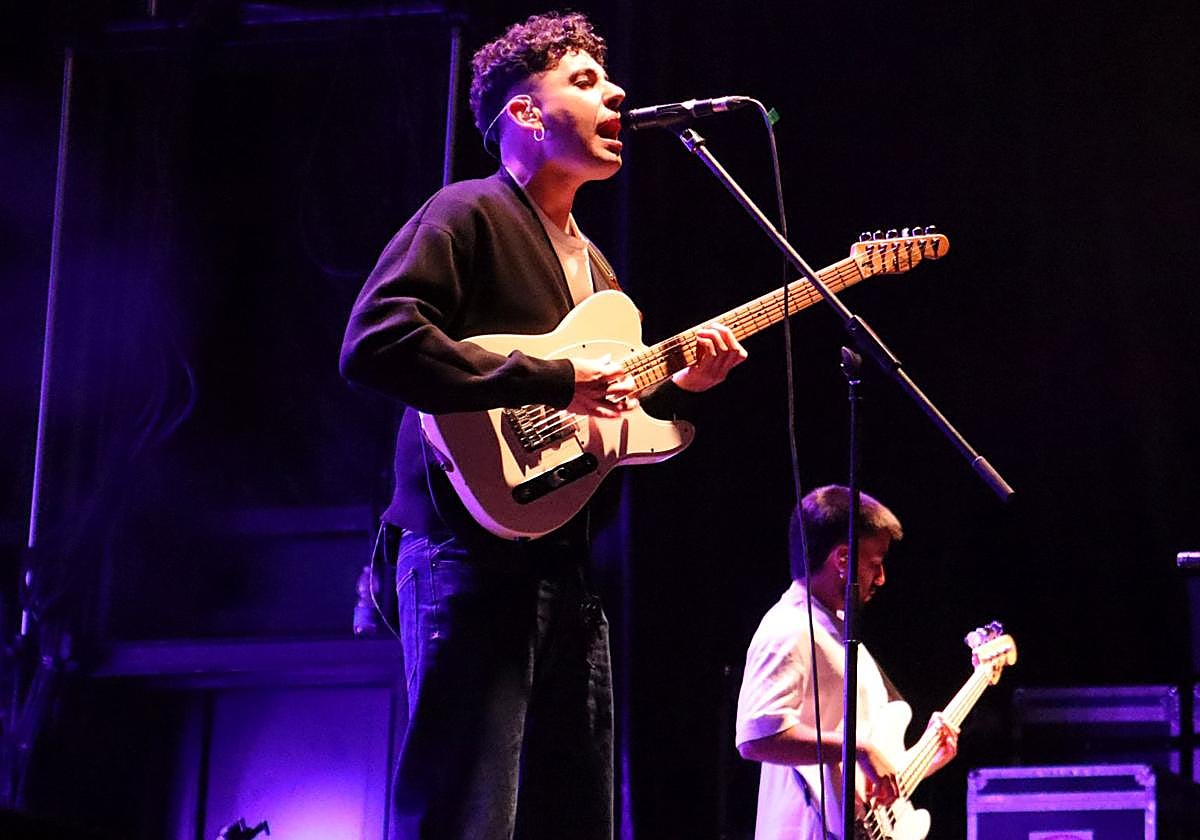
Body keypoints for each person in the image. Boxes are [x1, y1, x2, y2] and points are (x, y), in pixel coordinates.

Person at [339, 11, 746, 840]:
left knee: (574, 818)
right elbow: (376, 341)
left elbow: (599, 421)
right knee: (468, 814)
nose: (617, 93)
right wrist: (554, 378)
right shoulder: (466, 212)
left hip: (566, 572)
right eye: (585, 81)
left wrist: (679, 385)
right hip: (464, 558)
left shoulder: (597, 268)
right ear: (524, 112)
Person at [734, 485, 958, 840]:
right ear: (842, 559)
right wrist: (860, 749)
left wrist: (920, 762)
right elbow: (756, 738)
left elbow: (857, 775)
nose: (881, 578)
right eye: (875, 564)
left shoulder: (835, 632)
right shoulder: (789, 628)